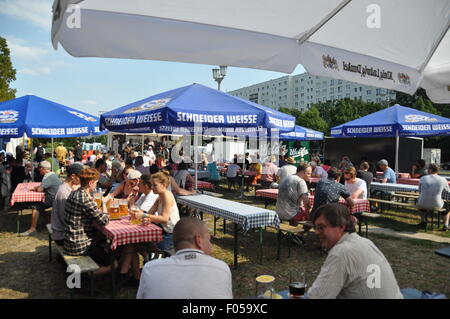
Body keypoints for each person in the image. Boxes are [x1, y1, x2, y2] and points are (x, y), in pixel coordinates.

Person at [306, 203, 403, 299]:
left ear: (341, 227)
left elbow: (317, 296)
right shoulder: (365, 242)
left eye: (321, 227)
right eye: (315, 228)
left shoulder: (341, 252)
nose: (316, 232)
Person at [137, 216, 233, 299]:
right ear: (198, 240)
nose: (210, 244)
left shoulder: (150, 269)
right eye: (209, 239)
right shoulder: (221, 268)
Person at [64, 168, 117, 276]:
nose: (96, 186)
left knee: (101, 239)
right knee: (115, 264)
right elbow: (104, 221)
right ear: (90, 183)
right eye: (96, 183)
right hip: (80, 246)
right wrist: (103, 204)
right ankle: (86, 275)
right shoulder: (84, 198)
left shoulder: (75, 193)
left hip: (70, 241)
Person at [131, 171, 180, 251]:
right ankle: (148, 257)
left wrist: (144, 216)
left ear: (164, 185)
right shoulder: (160, 196)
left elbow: (164, 219)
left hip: (172, 234)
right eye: (152, 185)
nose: (152, 187)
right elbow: (150, 213)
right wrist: (147, 219)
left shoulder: (166, 195)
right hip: (164, 231)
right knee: (139, 243)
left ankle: (151, 257)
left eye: (155, 185)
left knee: (145, 244)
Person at [20, 161, 62, 236]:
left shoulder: (48, 176)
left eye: (39, 168)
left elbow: (40, 189)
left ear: (43, 169)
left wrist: (35, 188)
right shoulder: (52, 175)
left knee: (35, 206)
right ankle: (49, 221)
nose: (39, 170)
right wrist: (38, 188)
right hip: (56, 198)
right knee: (38, 205)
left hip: (53, 199)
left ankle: (32, 229)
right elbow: (43, 187)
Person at [51, 164, 83, 245]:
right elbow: (66, 218)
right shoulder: (64, 193)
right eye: (81, 177)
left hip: (63, 231)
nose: (82, 180)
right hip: (63, 235)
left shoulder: (67, 187)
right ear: (73, 176)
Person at [276, 163, 312, 228]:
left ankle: (292, 235)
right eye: (308, 173)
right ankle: (298, 235)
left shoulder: (286, 178)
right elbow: (306, 202)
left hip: (278, 212)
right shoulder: (300, 181)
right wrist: (309, 216)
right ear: (302, 172)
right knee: (314, 216)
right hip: (291, 215)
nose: (310, 176)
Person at [417, 164, 450, 230]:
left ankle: (423, 221)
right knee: (447, 209)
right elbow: (447, 191)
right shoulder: (443, 179)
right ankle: (446, 225)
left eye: (428, 169)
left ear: (430, 170)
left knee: (419, 203)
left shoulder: (422, 178)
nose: (427, 170)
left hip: (422, 203)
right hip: (436, 204)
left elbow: (419, 191)